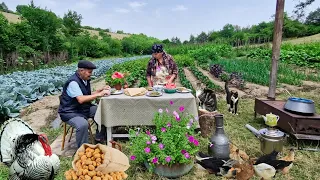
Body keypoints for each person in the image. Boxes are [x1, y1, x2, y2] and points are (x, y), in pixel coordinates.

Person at [58, 60, 110, 148]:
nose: (91, 74)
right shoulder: (73, 82)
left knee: (101, 111)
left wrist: (99, 91)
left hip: (82, 109)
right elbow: (81, 99)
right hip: (70, 112)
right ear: (81, 71)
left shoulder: (85, 79)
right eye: (89, 72)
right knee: (82, 124)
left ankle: (100, 137)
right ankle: (83, 150)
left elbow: (85, 94)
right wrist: (99, 94)